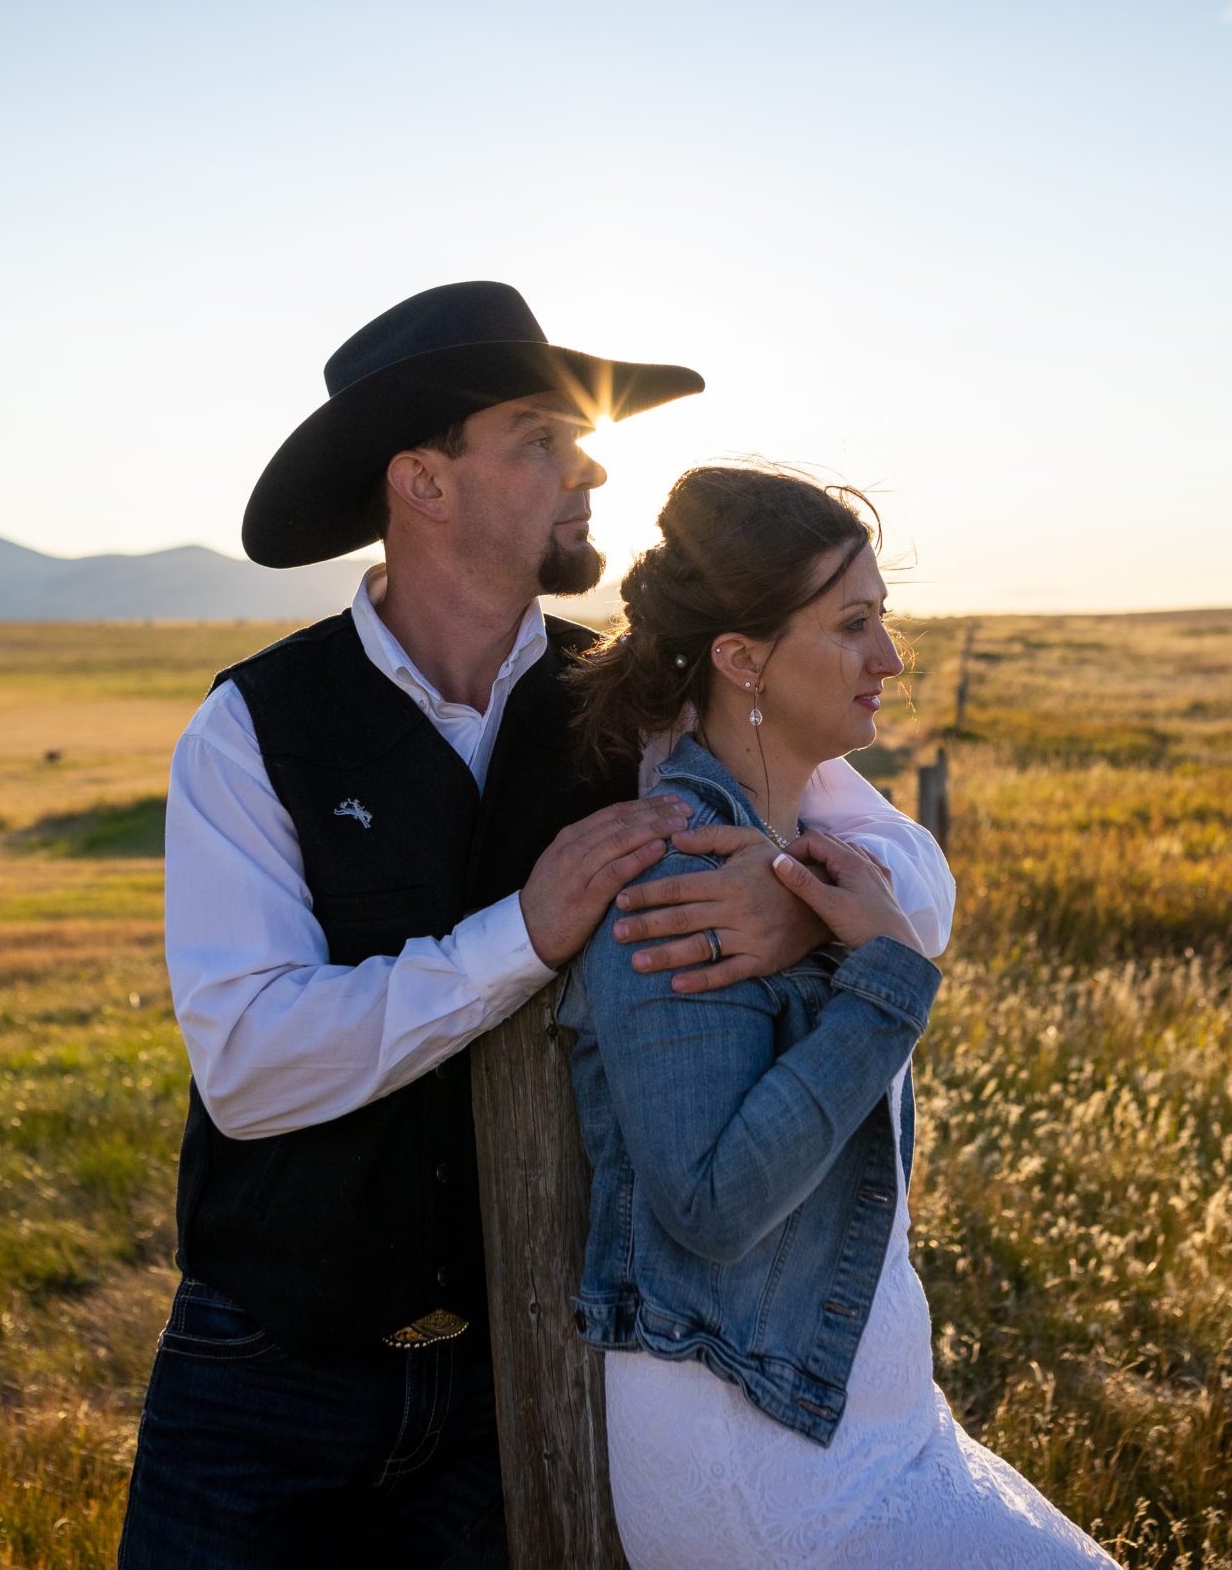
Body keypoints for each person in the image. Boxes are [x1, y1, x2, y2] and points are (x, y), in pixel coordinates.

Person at [115, 284, 957, 1568]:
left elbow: (902, 859)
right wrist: (521, 932)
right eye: (538, 437)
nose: (592, 464)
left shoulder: (629, 700)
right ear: (425, 483)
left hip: (526, 1371)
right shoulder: (253, 729)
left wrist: (801, 911)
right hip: (266, 1370)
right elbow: (249, 1062)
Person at [560, 466, 1120, 1567]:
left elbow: (914, 873)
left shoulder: (791, 849)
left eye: (886, 618)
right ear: (742, 659)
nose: (891, 659)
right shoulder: (679, 883)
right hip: (761, 1462)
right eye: (853, 624)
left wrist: (839, 928)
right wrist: (888, 987)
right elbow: (712, 1205)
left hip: (870, 1423)